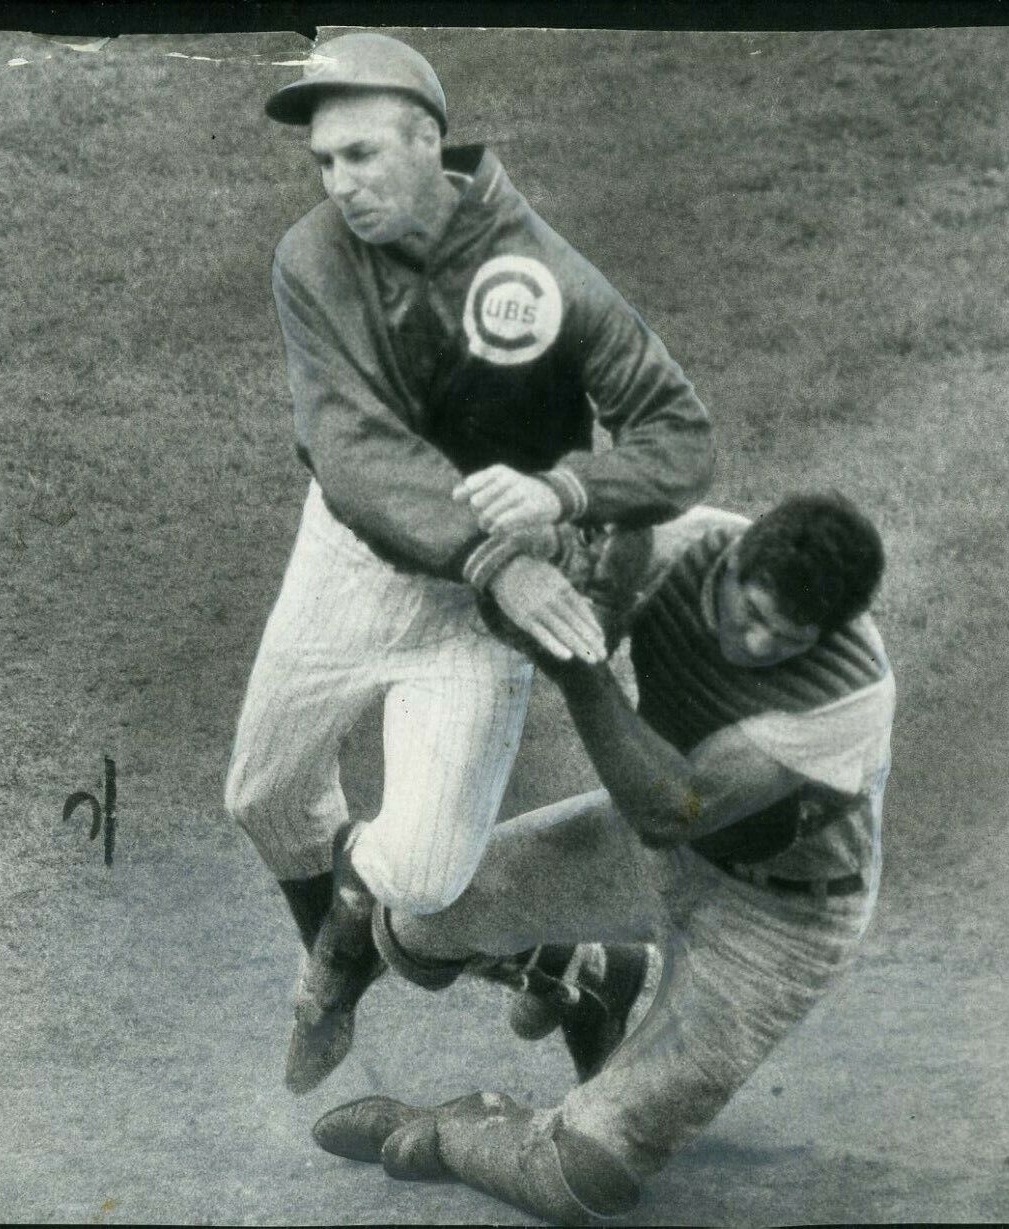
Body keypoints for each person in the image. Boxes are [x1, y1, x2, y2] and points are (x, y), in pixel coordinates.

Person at [224, 31, 714, 1097]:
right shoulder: (310, 257)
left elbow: (679, 434)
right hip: (352, 566)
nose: (337, 184)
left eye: (360, 155)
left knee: (428, 877)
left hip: (477, 617)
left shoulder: (539, 269)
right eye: (323, 162)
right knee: (262, 795)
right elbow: (351, 450)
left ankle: (340, 968)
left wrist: (567, 492)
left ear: (428, 138)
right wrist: (496, 554)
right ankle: (570, 970)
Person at [311, 493, 896, 1224]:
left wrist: (580, 663)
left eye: (781, 636)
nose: (746, 639)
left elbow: (670, 809)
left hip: (778, 925)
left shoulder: (848, 699)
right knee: (413, 920)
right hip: (652, 852)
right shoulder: (680, 544)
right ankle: (587, 975)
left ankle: (451, 1128)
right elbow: (513, 572)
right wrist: (539, 585)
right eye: (742, 607)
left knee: (581, 1180)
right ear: (735, 556)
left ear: (828, 632)